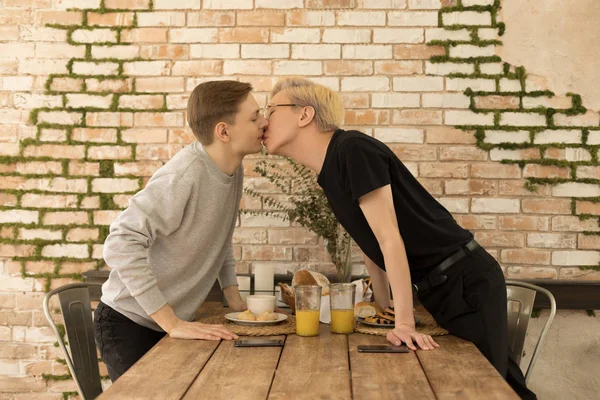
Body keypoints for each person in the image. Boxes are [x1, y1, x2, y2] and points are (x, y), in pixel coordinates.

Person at [261, 77, 536, 399]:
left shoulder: (352, 149)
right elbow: (371, 241)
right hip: (443, 284)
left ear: (304, 115)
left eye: (271, 108)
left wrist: (403, 323)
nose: (264, 120)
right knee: (502, 383)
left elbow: (390, 237)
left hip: (465, 279)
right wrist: (384, 305)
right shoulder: (330, 168)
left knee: (490, 387)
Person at [94, 80, 268, 381]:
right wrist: (171, 323)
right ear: (224, 132)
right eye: (254, 117)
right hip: (128, 322)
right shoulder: (184, 175)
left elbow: (219, 234)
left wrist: (234, 298)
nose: (264, 122)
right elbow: (120, 243)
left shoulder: (232, 168)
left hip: (165, 322)